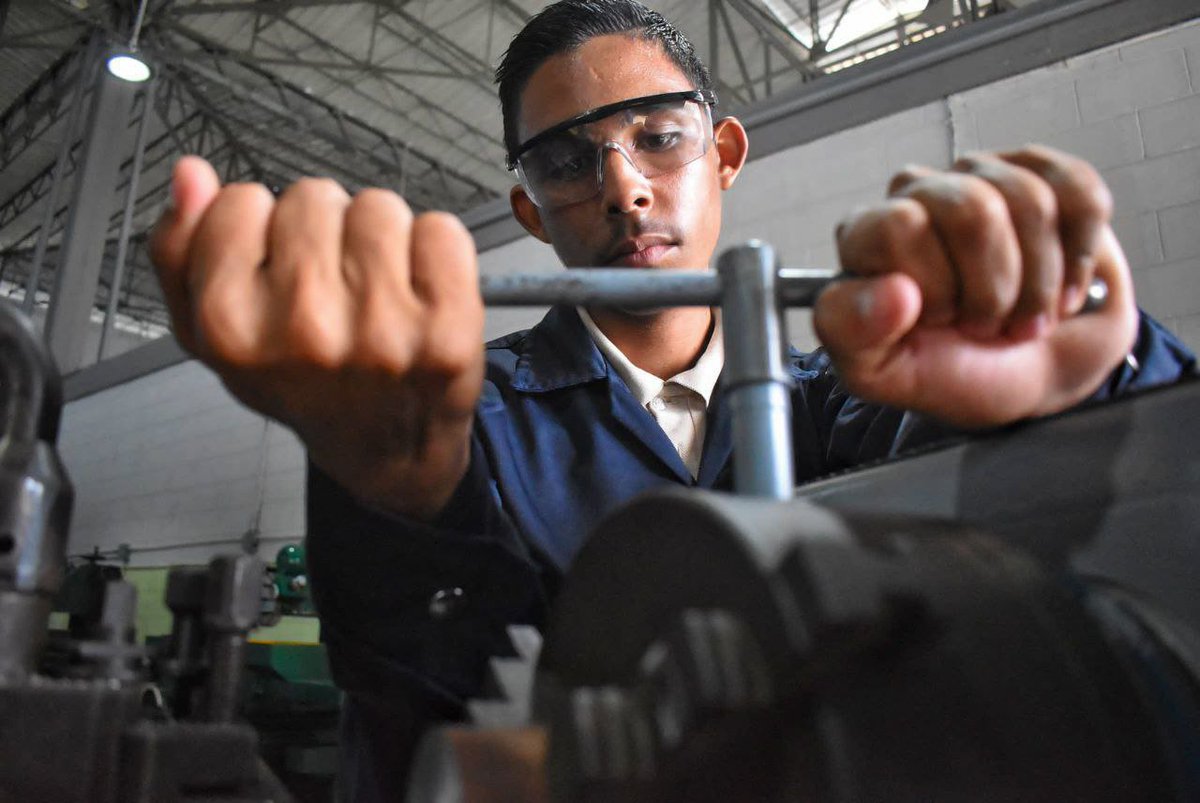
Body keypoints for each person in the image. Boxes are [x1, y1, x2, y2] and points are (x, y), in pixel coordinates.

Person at [150, 0, 1194, 798]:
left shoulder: (848, 398)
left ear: (725, 152)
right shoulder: (459, 423)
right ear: (529, 207)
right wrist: (396, 505)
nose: (623, 185)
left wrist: (1090, 377)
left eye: (658, 134)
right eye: (567, 160)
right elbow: (433, 744)